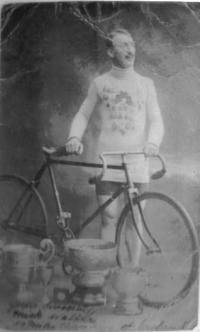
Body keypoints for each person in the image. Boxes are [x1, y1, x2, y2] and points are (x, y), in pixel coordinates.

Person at [65, 28, 164, 266]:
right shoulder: (100, 83)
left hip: (138, 161)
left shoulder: (146, 84)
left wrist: (152, 143)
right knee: (109, 218)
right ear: (110, 51)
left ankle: (132, 276)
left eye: (132, 44)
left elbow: (156, 119)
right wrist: (74, 138)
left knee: (135, 218)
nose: (131, 49)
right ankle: (105, 276)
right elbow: (82, 113)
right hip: (107, 160)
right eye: (124, 45)